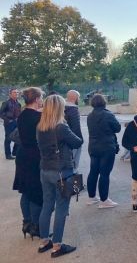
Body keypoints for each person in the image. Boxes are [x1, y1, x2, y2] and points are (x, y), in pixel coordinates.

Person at [37, 95, 83, 258]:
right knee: (62, 208)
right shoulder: (61, 127)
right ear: (59, 108)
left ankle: (44, 241)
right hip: (62, 172)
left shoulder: (40, 126)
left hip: (45, 170)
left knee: (47, 205)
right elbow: (78, 142)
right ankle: (57, 245)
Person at [13, 87, 44, 239]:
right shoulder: (39, 116)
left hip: (22, 155)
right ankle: (36, 226)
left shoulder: (22, 114)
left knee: (26, 191)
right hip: (34, 156)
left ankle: (26, 223)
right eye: (41, 98)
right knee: (36, 192)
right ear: (37, 99)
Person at [86, 94, 121, 208]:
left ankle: (91, 197)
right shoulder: (108, 114)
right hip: (106, 147)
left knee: (93, 172)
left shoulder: (89, 116)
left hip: (93, 147)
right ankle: (104, 200)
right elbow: (117, 128)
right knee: (104, 173)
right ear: (104, 102)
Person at [64, 90, 83, 173]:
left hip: (63, 139)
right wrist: (80, 141)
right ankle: (73, 182)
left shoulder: (62, 107)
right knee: (74, 164)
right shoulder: (74, 109)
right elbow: (76, 128)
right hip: (73, 140)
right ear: (76, 98)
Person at [1, 88, 21, 159]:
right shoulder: (6, 103)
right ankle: (8, 154)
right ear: (10, 94)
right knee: (8, 138)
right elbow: (1, 113)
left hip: (17, 123)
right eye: (14, 92)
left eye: (17, 92)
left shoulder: (18, 104)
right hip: (9, 123)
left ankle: (15, 152)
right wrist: (8, 120)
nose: (16, 93)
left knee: (18, 137)